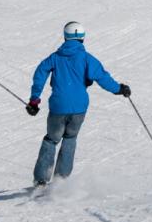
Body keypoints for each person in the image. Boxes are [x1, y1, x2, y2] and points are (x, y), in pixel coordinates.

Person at [26, 21, 130, 186]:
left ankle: (41, 180)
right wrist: (119, 89)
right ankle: (61, 181)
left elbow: (40, 73)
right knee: (70, 138)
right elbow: (102, 77)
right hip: (79, 108)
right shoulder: (87, 59)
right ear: (82, 38)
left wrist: (34, 100)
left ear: (65, 36)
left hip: (58, 107)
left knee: (52, 140)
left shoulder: (54, 57)